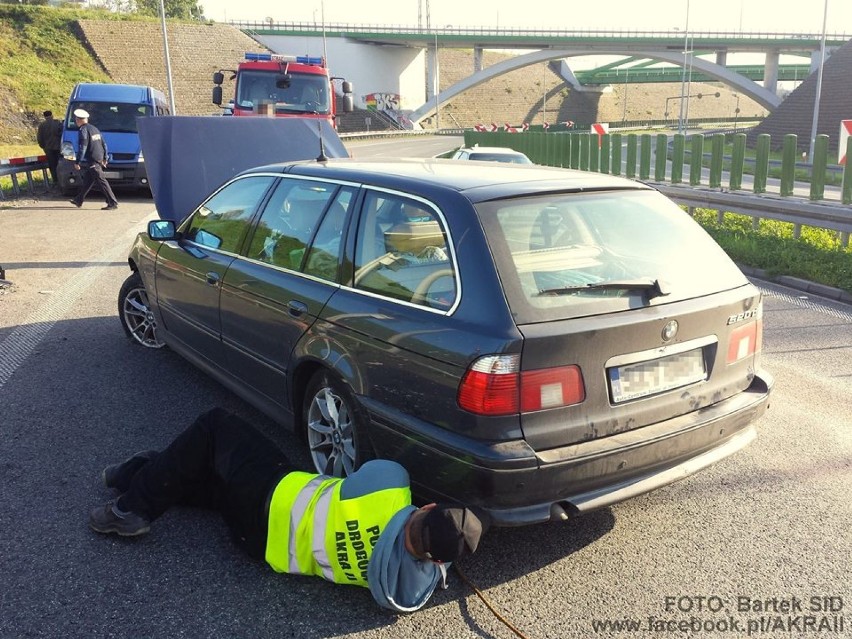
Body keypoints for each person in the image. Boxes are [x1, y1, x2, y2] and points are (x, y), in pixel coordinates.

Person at [89, 407, 485, 612]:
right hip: (259, 547)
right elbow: (424, 577)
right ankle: (133, 472)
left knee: (215, 426)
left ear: (427, 505)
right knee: (208, 478)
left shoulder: (389, 490)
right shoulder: (402, 587)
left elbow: (381, 470)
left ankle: (130, 508)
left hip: (271, 492)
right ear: (434, 563)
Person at [68, 108, 119, 210]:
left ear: (79, 120)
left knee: (102, 181)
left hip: (93, 160)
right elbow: (103, 144)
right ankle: (78, 200)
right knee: (88, 180)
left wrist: (77, 161)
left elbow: (83, 147)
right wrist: (105, 157)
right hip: (99, 158)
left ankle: (112, 202)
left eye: (77, 120)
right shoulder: (94, 129)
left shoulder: (83, 130)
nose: (76, 121)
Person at [36, 110, 63, 186]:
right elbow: (62, 134)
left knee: (52, 165)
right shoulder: (57, 123)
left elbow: (39, 138)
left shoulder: (42, 125)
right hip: (58, 148)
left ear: (44, 116)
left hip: (48, 149)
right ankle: (61, 179)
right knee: (60, 164)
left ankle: (55, 180)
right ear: (52, 115)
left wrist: (43, 146)